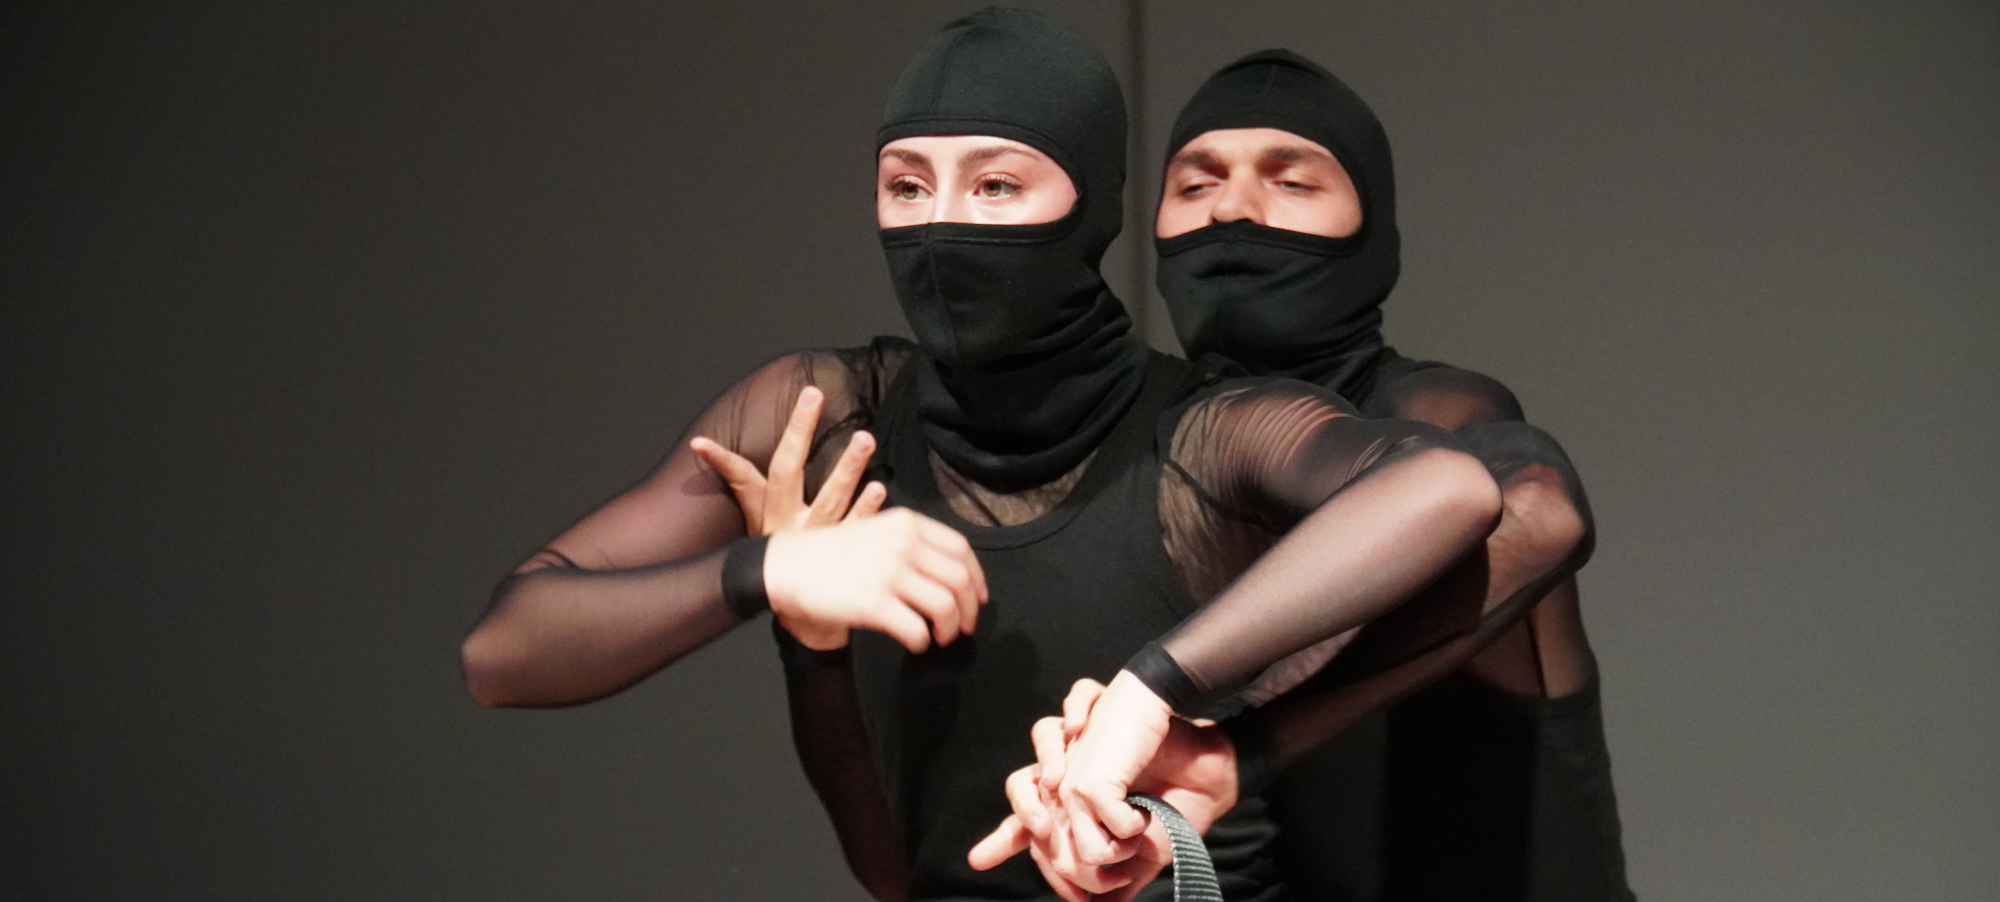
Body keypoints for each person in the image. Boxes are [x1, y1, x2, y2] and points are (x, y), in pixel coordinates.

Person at [462, 11, 1504, 902]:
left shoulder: (1207, 431)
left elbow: (1448, 487)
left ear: (1091, 203)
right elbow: (503, 650)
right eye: (906, 185)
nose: (943, 223)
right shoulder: (823, 413)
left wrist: (1149, 691)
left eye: (997, 184)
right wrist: (772, 578)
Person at [1009, 49, 1633, 902]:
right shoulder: (1142, 463)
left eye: (1292, 182)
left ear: (1373, 233)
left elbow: (1539, 513)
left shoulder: (1433, 422)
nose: (1232, 208)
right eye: (1195, 185)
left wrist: (1212, 727)